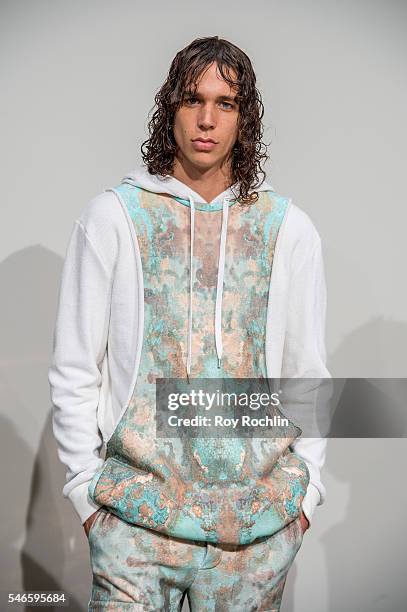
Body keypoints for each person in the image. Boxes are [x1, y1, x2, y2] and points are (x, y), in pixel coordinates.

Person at [48, 35, 330, 611]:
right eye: (191, 99)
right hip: (134, 524)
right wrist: (85, 497)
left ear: (244, 118)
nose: (207, 119)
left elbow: (308, 370)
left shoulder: (287, 227)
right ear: (168, 108)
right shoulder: (113, 216)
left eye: (225, 103)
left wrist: (309, 495)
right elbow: (76, 365)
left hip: (254, 535)